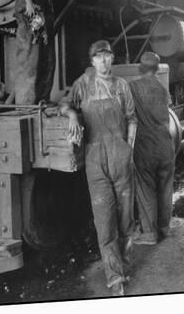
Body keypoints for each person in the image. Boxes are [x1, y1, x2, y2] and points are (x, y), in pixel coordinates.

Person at [59, 40, 137, 296]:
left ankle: (123, 263)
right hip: (95, 160)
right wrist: (71, 115)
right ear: (92, 61)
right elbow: (64, 104)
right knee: (105, 222)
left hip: (121, 157)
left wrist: (129, 149)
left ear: (112, 59)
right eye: (98, 57)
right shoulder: (82, 84)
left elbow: (132, 119)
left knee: (125, 219)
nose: (104, 61)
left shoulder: (122, 86)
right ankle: (115, 278)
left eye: (107, 56)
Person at [129, 52, 175, 245]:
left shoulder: (133, 87)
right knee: (165, 187)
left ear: (140, 68)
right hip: (166, 145)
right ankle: (164, 228)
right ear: (156, 69)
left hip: (145, 146)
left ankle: (149, 234)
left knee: (146, 188)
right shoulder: (163, 88)